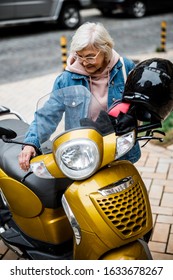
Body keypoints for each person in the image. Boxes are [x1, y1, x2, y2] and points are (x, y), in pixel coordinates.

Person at [18, 22, 141, 171]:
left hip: (120, 150)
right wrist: (31, 142)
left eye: (89, 57)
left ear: (105, 49)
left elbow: (141, 102)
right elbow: (48, 115)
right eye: (79, 56)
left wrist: (136, 116)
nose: (83, 62)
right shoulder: (67, 79)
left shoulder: (125, 68)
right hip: (84, 154)